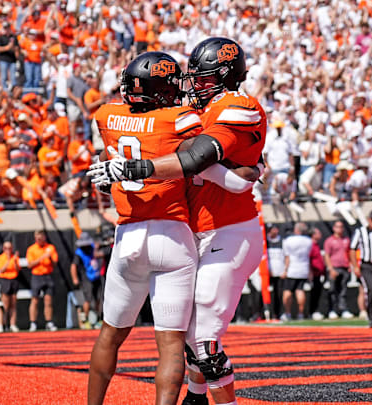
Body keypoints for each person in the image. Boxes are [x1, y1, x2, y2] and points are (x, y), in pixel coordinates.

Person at [89, 38, 266, 405]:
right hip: (189, 231)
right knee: (183, 332)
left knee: (201, 337)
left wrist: (136, 169)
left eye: (201, 80)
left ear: (224, 77)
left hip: (229, 229)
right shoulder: (185, 112)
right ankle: (196, 396)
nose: (193, 87)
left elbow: (205, 161)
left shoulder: (239, 106)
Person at [86, 52, 201, 405]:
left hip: (129, 236)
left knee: (110, 335)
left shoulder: (106, 116)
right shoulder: (180, 119)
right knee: (169, 343)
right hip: (172, 233)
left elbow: (100, 161)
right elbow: (196, 161)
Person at [25, 229, 59, 332]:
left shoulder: (50, 247)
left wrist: (49, 258)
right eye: (37, 238)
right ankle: (33, 323)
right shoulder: (32, 249)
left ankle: (49, 322)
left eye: (41, 237)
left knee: (48, 300)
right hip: (37, 276)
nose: (39, 239)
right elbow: (30, 265)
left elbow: (55, 263)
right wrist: (42, 257)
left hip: (48, 275)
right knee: (35, 300)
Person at [279, 223, 313, 322]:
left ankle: (288, 313)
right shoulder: (308, 241)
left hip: (292, 269)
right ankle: (300, 313)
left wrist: (285, 270)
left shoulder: (288, 241)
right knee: (300, 290)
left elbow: (287, 257)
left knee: (287, 291)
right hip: (303, 268)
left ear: (296, 230)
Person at [70, 232, 102, 330]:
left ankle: (97, 319)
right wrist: (75, 278)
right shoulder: (79, 253)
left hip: (96, 276)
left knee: (98, 299)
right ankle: (86, 320)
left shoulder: (93, 247)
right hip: (86, 278)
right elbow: (73, 266)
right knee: (87, 299)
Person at [324, 221, 354, 319]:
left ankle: (343, 309)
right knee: (332, 290)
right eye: (337, 227)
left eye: (341, 227)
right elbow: (327, 255)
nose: (339, 229)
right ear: (334, 228)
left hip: (344, 267)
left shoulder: (346, 240)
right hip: (334, 267)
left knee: (343, 290)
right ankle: (333, 309)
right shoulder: (329, 240)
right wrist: (330, 269)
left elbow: (350, 253)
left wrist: (350, 265)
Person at [0, 240, 21, 332]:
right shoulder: (0, 258)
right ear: (3, 249)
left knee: (13, 304)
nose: (8, 250)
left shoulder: (15, 258)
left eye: (9, 248)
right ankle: (3, 324)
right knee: (5, 305)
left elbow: (18, 269)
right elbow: (1, 269)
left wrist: (14, 260)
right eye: (6, 248)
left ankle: (12, 324)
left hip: (13, 280)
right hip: (5, 280)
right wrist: (9, 260)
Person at [266, 224, 285, 319]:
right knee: (268, 294)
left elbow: (286, 256)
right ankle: (267, 313)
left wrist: (285, 270)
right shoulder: (265, 242)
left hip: (279, 273)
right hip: (267, 273)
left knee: (279, 294)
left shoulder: (282, 241)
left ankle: (278, 313)